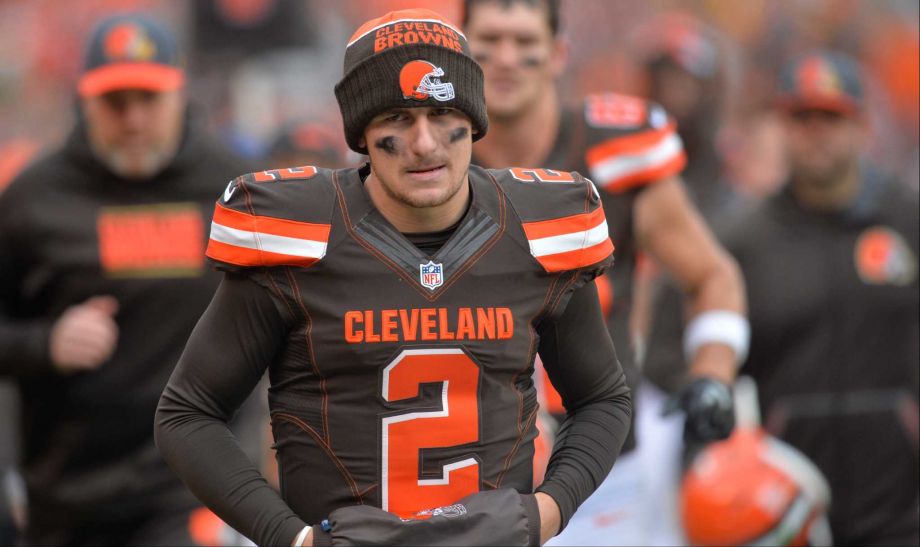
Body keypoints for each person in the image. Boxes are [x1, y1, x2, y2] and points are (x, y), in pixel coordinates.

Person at [155, 8, 631, 547]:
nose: (424, 142)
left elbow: (603, 398)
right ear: (361, 130)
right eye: (398, 118)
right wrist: (292, 538)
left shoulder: (540, 226)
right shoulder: (294, 236)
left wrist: (550, 510)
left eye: (440, 110)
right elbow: (187, 413)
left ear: (472, 117)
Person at [462, 1, 747, 543]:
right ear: (460, 52)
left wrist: (712, 373)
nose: (504, 59)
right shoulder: (426, 158)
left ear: (558, 53)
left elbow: (712, 276)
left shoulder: (615, 150)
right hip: (475, 472)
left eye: (525, 44)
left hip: (600, 468)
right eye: (489, 42)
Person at [0, 14, 254, 545]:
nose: (134, 119)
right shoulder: (32, 200)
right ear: (84, 102)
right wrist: (44, 343)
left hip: (191, 485)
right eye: (116, 103)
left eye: (149, 99)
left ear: (180, 94)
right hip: (68, 493)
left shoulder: (236, 190)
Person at [720, 50, 919, 545]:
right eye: (802, 117)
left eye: (831, 117)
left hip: (903, 511)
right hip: (784, 513)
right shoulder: (744, 240)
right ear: (781, 127)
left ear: (862, 126)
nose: (817, 132)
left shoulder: (907, 220)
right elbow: (693, 355)